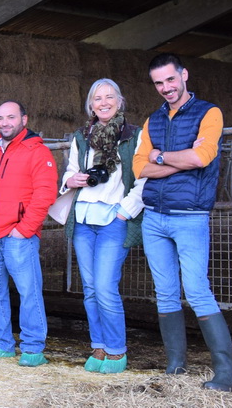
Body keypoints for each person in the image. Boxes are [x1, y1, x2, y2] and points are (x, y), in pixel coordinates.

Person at [133, 53, 232, 392]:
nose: (166, 88)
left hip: (189, 216)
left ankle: (225, 374)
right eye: (159, 83)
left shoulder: (209, 112)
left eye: (170, 80)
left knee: (196, 290)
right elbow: (139, 168)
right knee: (165, 292)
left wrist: (159, 156)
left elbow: (202, 156)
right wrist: (179, 161)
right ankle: (175, 365)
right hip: (154, 217)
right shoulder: (153, 120)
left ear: (184, 75)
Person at [59, 79, 146, 374]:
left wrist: (125, 211)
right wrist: (71, 180)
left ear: (119, 102)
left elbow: (144, 177)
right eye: (98, 98)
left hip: (113, 219)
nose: (104, 102)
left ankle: (117, 349)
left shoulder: (134, 135)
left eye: (110, 97)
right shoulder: (81, 136)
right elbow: (71, 170)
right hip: (83, 219)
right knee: (90, 289)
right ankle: (98, 345)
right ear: (91, 105)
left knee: (106, 287)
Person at [0, 101, 57, 367]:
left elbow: (45, 194)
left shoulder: (37, 152)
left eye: (11, 117)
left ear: (24, 119)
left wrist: (25, 229)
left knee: (29, 292)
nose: (4, 123)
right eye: (0, 118)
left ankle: (32, 346)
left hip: (18, 236)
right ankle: (1, 343)